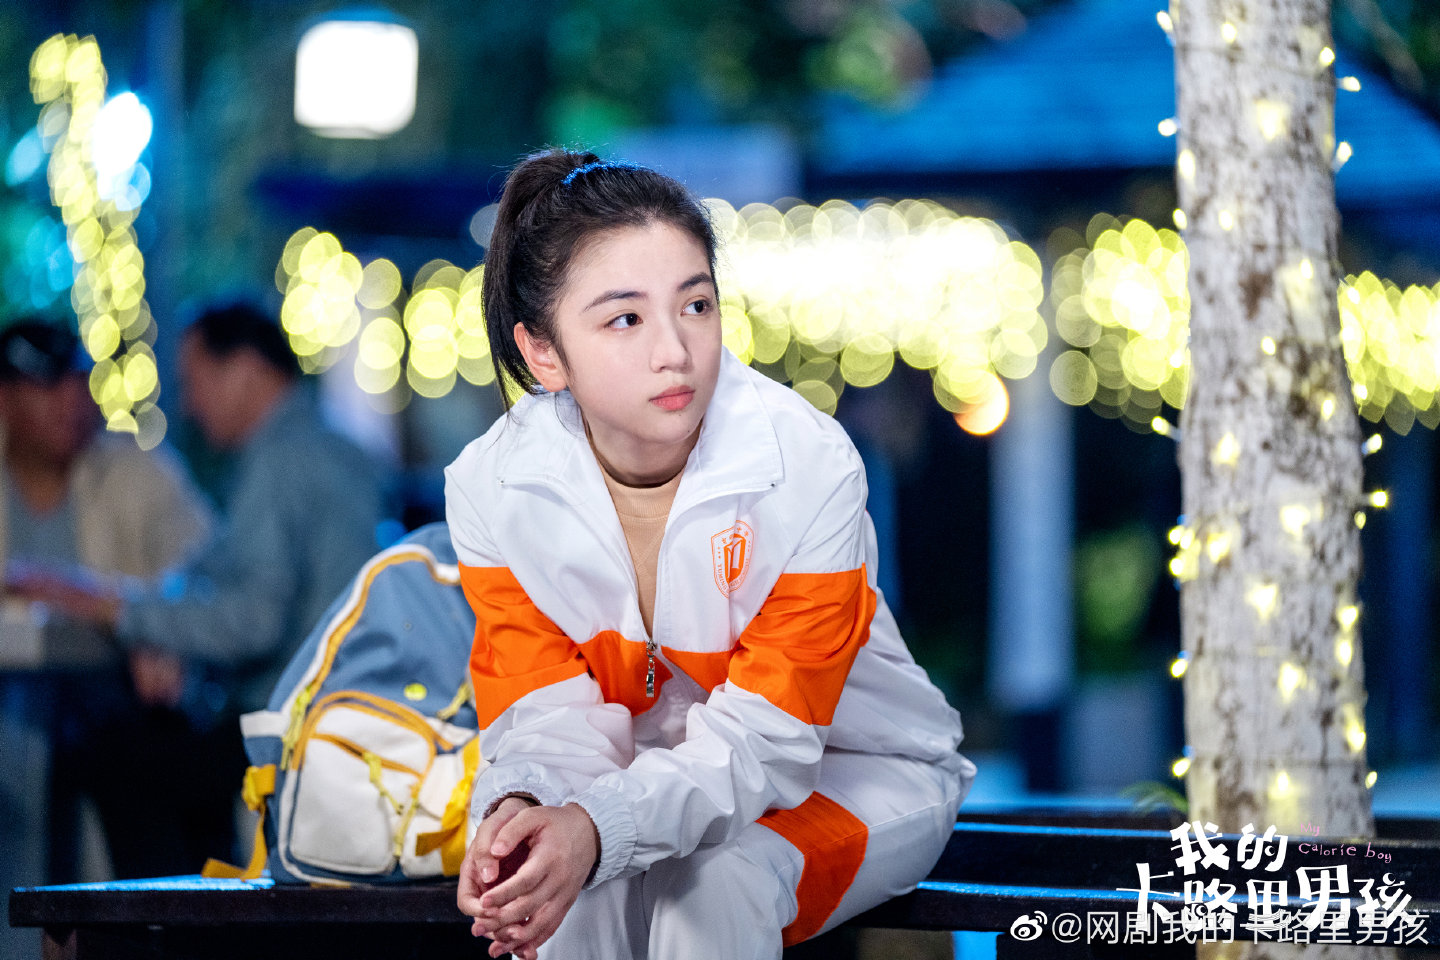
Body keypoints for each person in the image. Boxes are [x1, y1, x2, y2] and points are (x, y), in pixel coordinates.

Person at [447, 150, 976, 960]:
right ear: (544, 353)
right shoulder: (493, 486)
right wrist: (525, 806)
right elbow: (543, 717)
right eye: (625, 319)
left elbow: (771, 740)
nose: (675, 349)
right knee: (564, 886)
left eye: (695, 305)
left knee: (713, 884)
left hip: (857, 769)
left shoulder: (806, 466)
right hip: (646, 780)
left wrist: (599, 825)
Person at [0, 319, 211, 954]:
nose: (70, 401)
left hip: (122, 710)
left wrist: (153, 629)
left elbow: (210, 579)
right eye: (46, 386)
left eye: (77, 382)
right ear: (7, 397)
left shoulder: (139, 472)